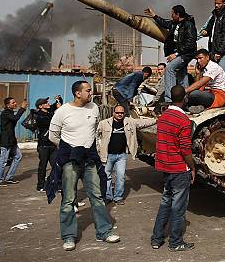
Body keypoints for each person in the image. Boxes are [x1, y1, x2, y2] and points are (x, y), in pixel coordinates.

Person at [48, 81, 119, 250]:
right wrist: (70, 149)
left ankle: (104, 232)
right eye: (88, 91)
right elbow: (53, 136)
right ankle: (69, 236)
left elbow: (93, 130)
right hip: (70, 161)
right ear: (77, 93)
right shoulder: (63, 111)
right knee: (69, 199)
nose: (91, 93)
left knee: (97, 196)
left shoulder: (94, 108)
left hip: (90, 160)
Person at [151, 85, 196, 252]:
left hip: (165, 167)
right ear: (184, 99)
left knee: (165, 202)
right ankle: (176, 242)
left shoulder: (163, 117)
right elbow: (185, 148)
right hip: (179, 168)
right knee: (178, 207)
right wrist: (192, 167)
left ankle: (156, 239)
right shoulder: (183, 120)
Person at [96, 104, 156, 205]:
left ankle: (118, 197)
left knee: (120, 176)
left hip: (121, 156)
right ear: (113, 113)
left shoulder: (129, 122)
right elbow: (97, 136)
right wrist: (98, 149)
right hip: (107, 155)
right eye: (117, 113)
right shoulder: (104, 123)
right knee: (107, 176)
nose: (120, 114)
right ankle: (108, 196)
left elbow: (142, 123)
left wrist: (156, 120)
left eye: (122, 113)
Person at [145, 5, 197, 103]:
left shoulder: (188, 25)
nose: (171, 15)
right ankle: (185, 100)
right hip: (179, 53)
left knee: (169, 69)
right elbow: (164, 23)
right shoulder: (174, 23)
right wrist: (154, 15)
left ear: (177, 14)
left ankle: (169, 99)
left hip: (185, 54)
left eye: (172, 13)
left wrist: (176, 54)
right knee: (182, 75)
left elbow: (190, 43)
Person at [0, 97, 28, 187]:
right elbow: (15, 118)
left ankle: (9, 177)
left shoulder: (10, 112)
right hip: (6, 141)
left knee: (18, 156)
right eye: (13, 103)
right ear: (7, 105)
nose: (15, 104)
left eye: (15, 102)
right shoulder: (5, 113)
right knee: (4, 160)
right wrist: (22, 108)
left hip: (12, 140)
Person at [34, 95, 62, 192]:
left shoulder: (49, 112)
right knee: (43, 166)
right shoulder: (39, 116)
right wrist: (57, 112)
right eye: (45, 103)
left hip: (52, 144)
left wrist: (59, 99)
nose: (48, 104)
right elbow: (51, 122)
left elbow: (56, 105)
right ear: (40, 106)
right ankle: (40, 185)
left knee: (56, 165)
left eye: (47, 102)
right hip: (43, 145)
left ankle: (58, 184)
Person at [199, 0, 225, 71]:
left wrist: (219, 52)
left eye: (219, 3)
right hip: (212, 47)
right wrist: (206, 31)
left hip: (220, 50)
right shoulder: (214, 15)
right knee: (214, 72)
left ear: (224, 3)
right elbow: (210, 28)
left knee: (222, 72)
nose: (216, 5)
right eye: (215, 3)